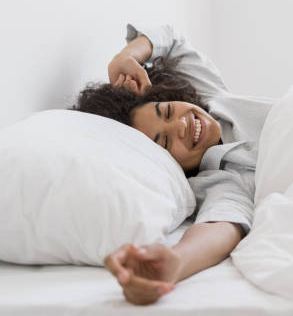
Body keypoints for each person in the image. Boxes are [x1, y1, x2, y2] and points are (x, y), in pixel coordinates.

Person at [71, 23, 276, 305]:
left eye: (166, 111)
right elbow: (223, 224)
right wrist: (176, 263)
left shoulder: (212, 97)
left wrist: (127, 56)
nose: (181, 124)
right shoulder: (220, 179)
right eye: (165, 142)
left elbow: (172, 37)